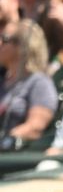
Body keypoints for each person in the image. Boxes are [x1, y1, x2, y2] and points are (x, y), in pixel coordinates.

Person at [0, 19, 58, 148]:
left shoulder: (40, 83)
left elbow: (35, 127)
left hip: (15, 155)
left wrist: (6, 140)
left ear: (22, 46)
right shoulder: (2, 81)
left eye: (4, 39)